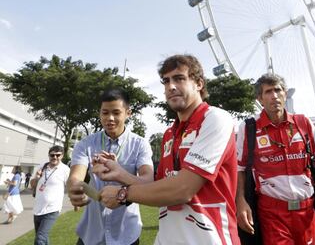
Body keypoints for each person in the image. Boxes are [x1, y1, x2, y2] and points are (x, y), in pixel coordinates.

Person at [97, 54, 241, 245]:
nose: (171, 86)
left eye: (179, 78)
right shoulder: (169, 135)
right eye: (166, 81)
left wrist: (122, 194)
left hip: (208, 238)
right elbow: (160, 188)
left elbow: (183, 189)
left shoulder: (215, 119)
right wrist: (121, 174)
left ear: (198, 83)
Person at [236, 73, 315, 245]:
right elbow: (239, 169)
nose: (274, 96)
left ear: (285, 93)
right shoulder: (249, 127)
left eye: (278, 90)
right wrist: (240, 202)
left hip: (306, 211)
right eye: (268, 92)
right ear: (260, 99)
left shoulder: (303, 123)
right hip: (271, 213)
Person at [67, 88, 154, 245]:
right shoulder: (85, 144)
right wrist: (74, 189)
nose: (110, 118)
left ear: (128, 113)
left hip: (126, 233)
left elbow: (148, 180)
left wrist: (119, 175)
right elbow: (75, 176)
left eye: (116, 112)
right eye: (105, 113)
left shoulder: (140, 144)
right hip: (91, 233)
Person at [29, 145, 70, 245]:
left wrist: (76, 202)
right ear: (49, 155)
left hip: (52, 209)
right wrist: (38, 177)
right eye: (52, 155)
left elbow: (70, 186)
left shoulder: (65, 169)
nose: (54, 157)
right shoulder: (42, 166)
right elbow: (32, 185)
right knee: (43, 237)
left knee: (40, 239)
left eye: (58, 155)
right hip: (38, 208)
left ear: (62, 156)